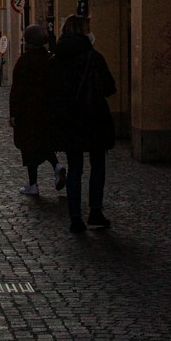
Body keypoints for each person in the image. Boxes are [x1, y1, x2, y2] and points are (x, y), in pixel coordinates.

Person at [52, 15, 117, 232]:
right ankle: (95, 211)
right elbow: (109, 87)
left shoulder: (57, 58)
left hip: (70, 119)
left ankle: (75, 217)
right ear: (82, 31)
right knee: (97, 165)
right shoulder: (93, 57)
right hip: (94, 117)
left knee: (75, 168)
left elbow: (51, 92)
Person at [9, 25, 66, 194]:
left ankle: (33, 184)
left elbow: (17, 89)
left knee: (29, 146)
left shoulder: (24, 61)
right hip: (46, 109)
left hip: (27, 111)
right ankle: (57, 165)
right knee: (43, 141)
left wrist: (13, 113)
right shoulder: (50, 59)